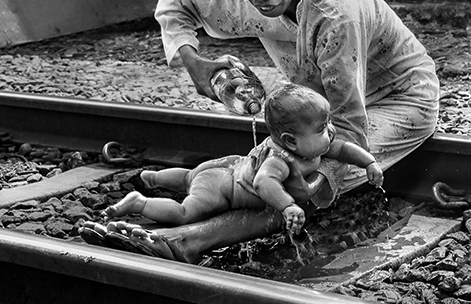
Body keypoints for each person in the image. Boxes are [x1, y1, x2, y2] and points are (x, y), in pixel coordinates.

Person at [80, 0, 439, 263]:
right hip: (318, 107)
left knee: (295, 175)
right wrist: (194, 62)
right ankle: (199, 204)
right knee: (267, 168)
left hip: (400, 99)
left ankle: (188, 240)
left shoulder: (335, 16)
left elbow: (348, 125)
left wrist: (304, 182)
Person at [100, 84, 383, 236]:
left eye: (329, 122)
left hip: (225, 167)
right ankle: (141, 202)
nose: (331, 131)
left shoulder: (311, 146)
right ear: (290, 141)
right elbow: (263, 183)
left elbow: (344, 149)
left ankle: (154, 177)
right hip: (220, 190)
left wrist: (369, 163)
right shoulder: (279, 160)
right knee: (186, 212)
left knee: (189, 177)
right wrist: (287, 206)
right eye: (322, 128)